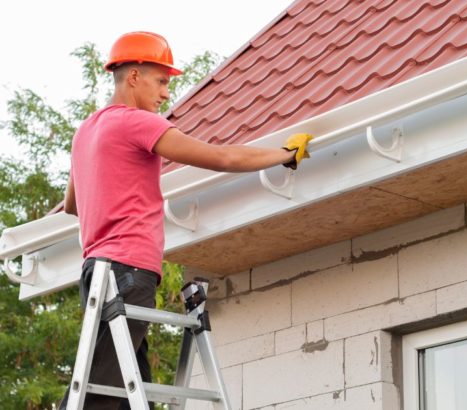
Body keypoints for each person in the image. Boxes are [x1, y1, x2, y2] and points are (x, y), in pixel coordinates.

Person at [58, 31, 312, 410]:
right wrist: (283, 154)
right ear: (133, 76)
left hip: (96, 275)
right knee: (97, 394)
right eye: (160, 81)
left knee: (127, 395)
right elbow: (221, 158)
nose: (165, 94)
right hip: (129, 272)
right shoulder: (136, 123)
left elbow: (71, 206)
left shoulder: (86, 132)